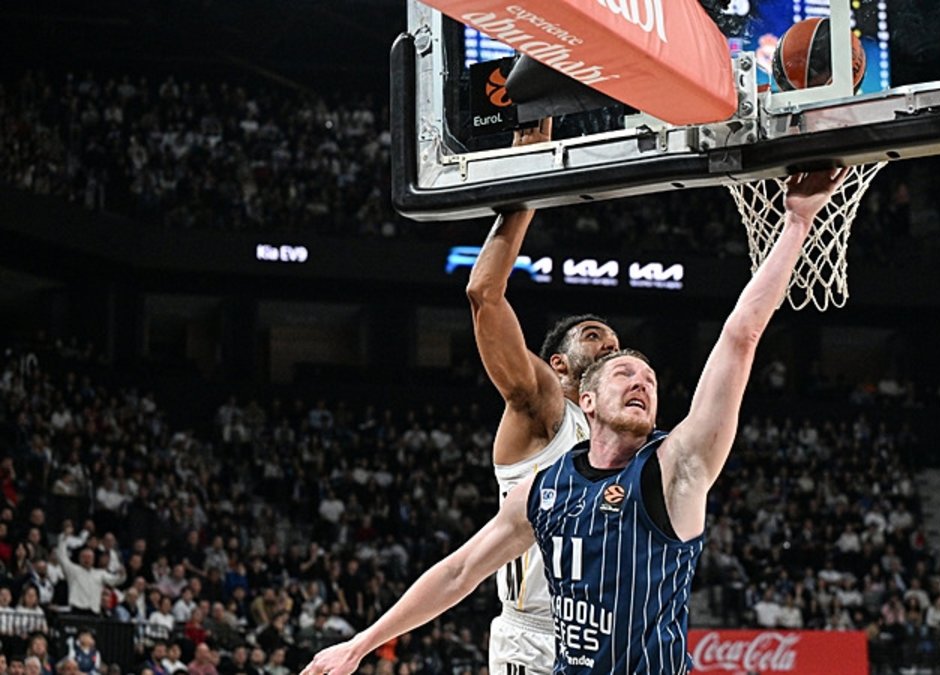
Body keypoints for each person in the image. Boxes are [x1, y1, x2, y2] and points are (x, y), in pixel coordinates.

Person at [299, 169, 849, 675]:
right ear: (581, 394)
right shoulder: (546, 469)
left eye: (649, 377)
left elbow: (740, 335)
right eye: (620, 369)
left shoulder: (675, 465)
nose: (639, 379)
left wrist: (798, 221)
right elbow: (460, 570)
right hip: (536, 642)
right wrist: (361, 643)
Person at [463, 118, 620, 674]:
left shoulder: (623, 440)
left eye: (616, 342)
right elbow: (484, 293)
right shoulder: (548, 408)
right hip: (536, 640)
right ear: (558, 366)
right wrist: (521, 195)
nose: (610, 347)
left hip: (608, 635)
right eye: (594, 336)